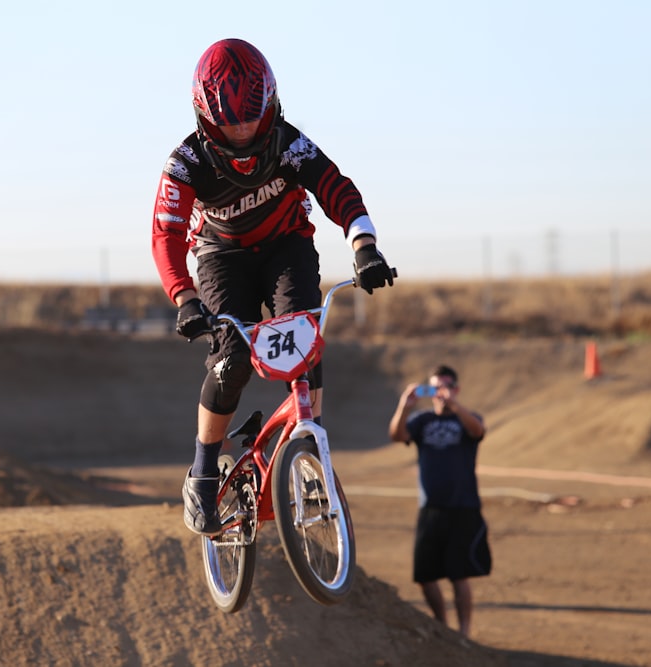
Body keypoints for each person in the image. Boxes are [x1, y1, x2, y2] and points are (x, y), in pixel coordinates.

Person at [151, 38, 396, 537]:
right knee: (232, 360)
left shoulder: (289, 142)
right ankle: (202, 471)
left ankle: (310, 447)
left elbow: (335, 187)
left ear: (270, 106)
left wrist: (364, 245)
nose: (242, 132)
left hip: (287, 246)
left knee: (304, 340)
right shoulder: (185, 163)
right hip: (221, 258)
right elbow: (166, 234)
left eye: (251, 119)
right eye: (231, 123)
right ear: (206, 117)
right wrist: (184, 298)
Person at [388, 364, 491, 637]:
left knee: (459, 574)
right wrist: (405, 406)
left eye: (445, 386)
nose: (440, 393)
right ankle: (443, 630)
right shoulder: (422, 421)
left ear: (456, 389)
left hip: (463, 506)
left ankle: (464, 633)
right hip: (430, 507)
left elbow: (477, 430)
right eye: (435, 387)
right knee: (425, 575)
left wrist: (455, 406)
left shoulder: (466, 417)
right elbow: (397, 436)